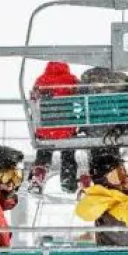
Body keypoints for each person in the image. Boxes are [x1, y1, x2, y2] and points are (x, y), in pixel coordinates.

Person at [28, 61, 81, 194]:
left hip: (45, 128)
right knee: (68, 154)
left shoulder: (41, 80)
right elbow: (81, 98)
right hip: (66, 129)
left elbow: (34, 103)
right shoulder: (71, 79)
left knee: (44, 151)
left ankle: (38, 175)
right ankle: (68, 181)